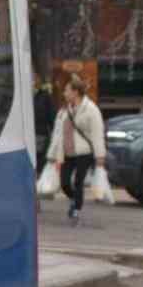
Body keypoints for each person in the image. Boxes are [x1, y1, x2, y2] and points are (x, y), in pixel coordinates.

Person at [47, 74, 107, 226]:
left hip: (84, 153)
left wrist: (100, 155)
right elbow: (57, 133)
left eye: (67, 90)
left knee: (78, 181)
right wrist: (52, 154)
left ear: (75, 92)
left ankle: (76, 209)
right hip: (66, 153)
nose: (64, 93)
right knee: (65, 183)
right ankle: (75, 199)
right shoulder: (63, 111)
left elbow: (97, 133)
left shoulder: (91, 109)